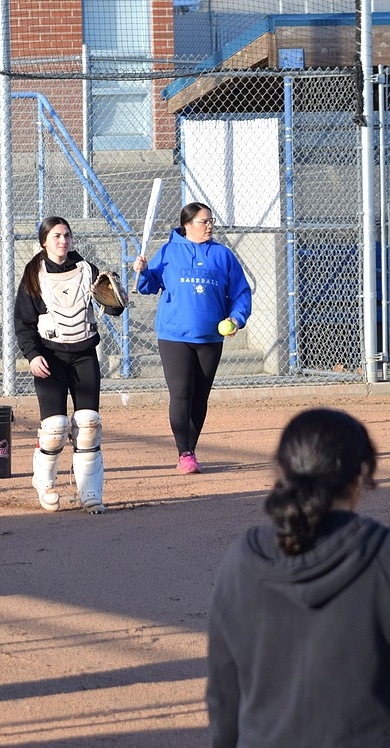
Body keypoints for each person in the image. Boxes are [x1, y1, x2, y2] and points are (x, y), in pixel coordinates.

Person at [205, 408, 390, 746]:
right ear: (361, 474)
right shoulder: (381, 556)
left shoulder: (242, 560)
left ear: (282, 471)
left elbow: (223, 691)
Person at [130, 202, 251, 475]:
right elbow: (147, 286)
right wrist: (144, 270)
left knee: (200, 396)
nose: (209, 226)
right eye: (203, 221)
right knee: (181, 393)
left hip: (210, 337)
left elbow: (242, 293)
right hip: (175, 336)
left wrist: (235, 319)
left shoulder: (222, 255)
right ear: (187, 225)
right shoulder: (170, 251)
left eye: (211, 221)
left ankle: (191, 449)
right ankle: (183, 452)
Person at [14, 216, 125, 514]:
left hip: (84, 354)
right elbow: (23, 324)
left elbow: (113, 308)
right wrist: (32, 354)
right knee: (54, 428)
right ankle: (45, 482)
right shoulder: (33, 276)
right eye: (56, 236)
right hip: (50, 358)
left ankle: (89, 492)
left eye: (67, 235)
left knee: (88, 425)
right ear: (44, 242)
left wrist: (117, 296)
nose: (63, 241)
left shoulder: (87, 270)